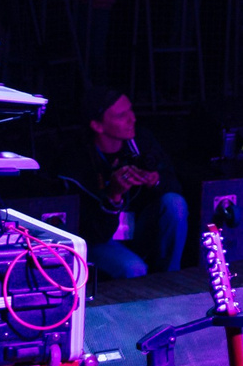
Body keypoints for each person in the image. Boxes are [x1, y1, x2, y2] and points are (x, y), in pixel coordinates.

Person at [48, 87, 187, 278]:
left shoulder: (141, 141)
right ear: (98, 126)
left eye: (131, 110)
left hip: (136, 230)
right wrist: (114, 195)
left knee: (174, 203)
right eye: (122, 115)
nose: (133, 119)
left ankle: (170, 281)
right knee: (133, 268)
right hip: (96, 240)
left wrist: (155, 181)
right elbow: (86, 232)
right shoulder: (76, 161)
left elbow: (174, 183)